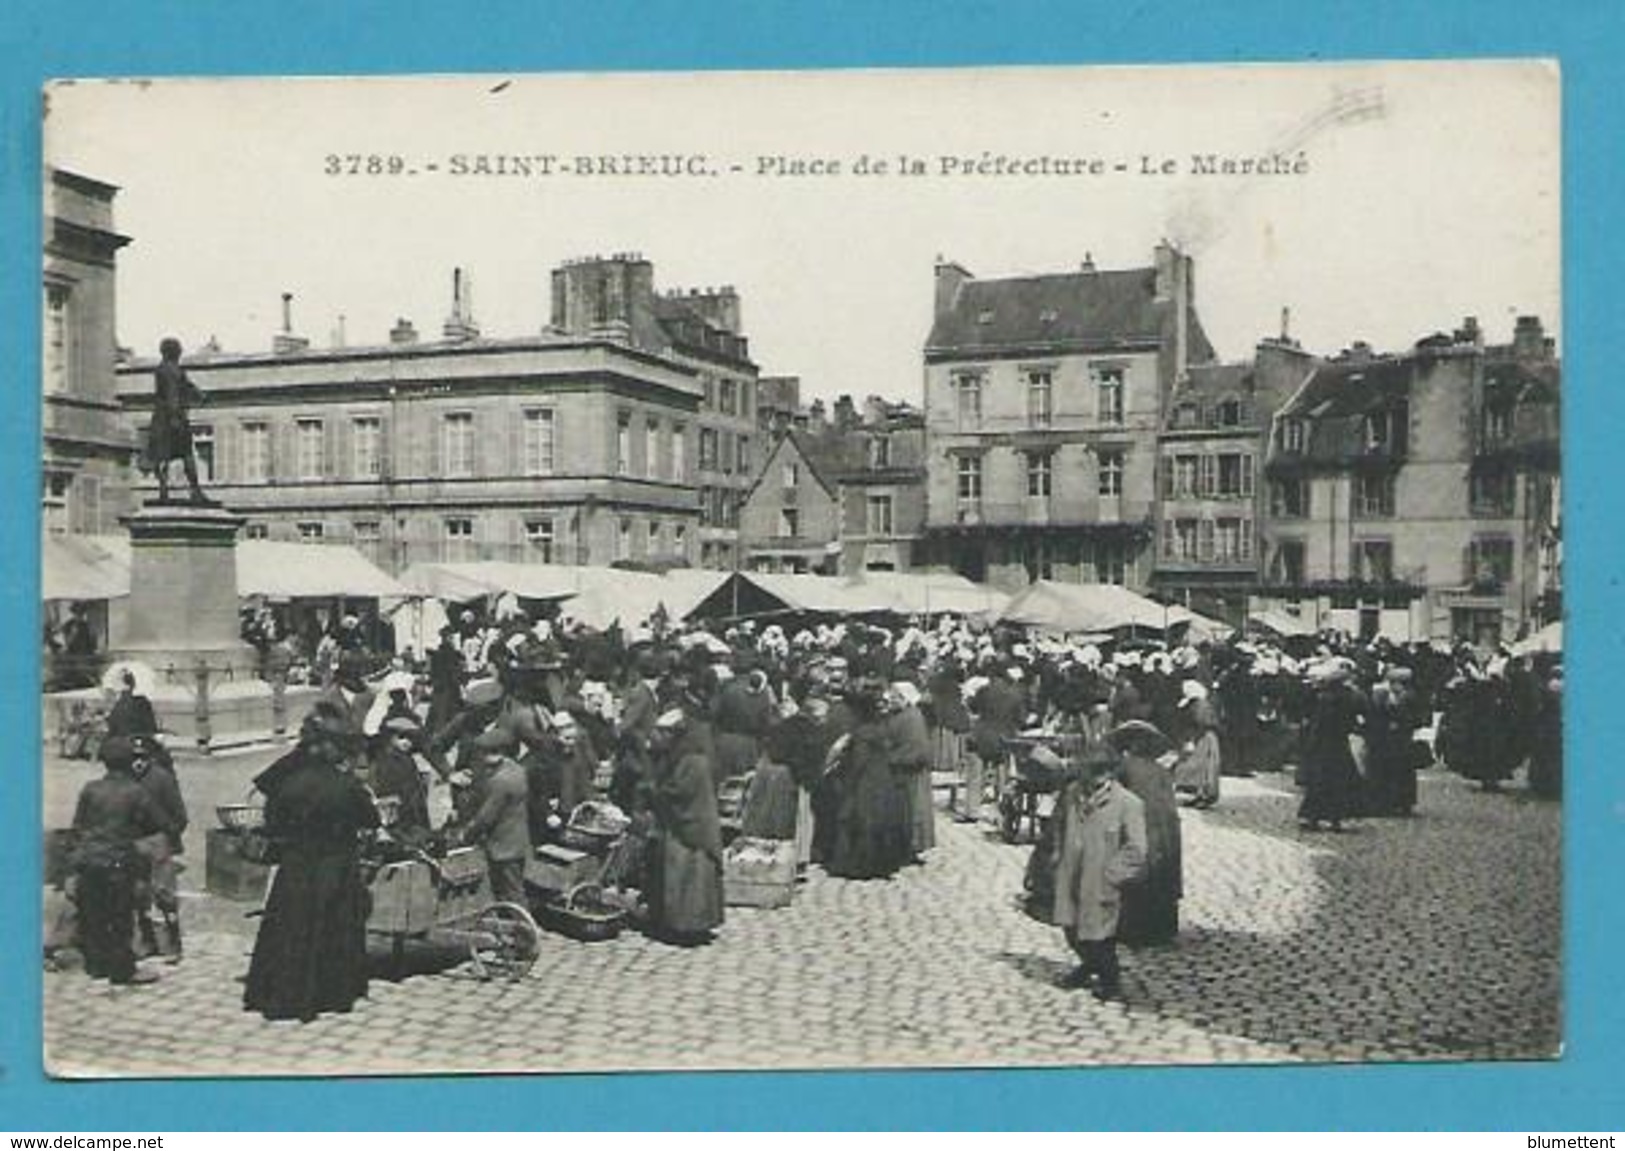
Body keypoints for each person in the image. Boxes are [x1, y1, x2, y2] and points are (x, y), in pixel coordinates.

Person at [244, 707, 379, 1021]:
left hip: (296, 867)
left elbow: (273, 823)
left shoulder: (289, 785)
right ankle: (331, 994)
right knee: (333, 929)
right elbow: (370, 819)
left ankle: (282, 993)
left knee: (291, 929)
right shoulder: (346, 786)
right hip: (336, 866)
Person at [70, 735, 171, 986]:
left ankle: (97, 965)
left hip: (90, 860)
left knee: (95, 914)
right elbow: (159, 823)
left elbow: (78, 825)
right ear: (129, 763)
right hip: (118, 861)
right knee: (120, 917)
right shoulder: (135, 792)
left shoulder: (90, 789)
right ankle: (122, 969)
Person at [1051, 746, 1147, 1000]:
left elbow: (1137, 848)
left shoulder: (1128, 803)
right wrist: (1058, 855)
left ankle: (1110, 979)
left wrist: (1112, 875)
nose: (1094, 779)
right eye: (1089, 772)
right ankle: (1087, 964)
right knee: (1071, 928)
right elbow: (1059, 826)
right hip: (1072, 873)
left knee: (1100, 935)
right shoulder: (1073, 794)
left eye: (1101, 772)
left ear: (1111, 773)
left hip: (1099, 879)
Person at [645, 708, 725, 944]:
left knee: (687, 875)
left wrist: (654, 792)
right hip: (688, 822)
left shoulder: (692, 760)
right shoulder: (682, 755)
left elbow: (680, 793)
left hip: (692, 827)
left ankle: (688, 924)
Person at [1111, 728, 1183, 946]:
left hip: (1139, 823)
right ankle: (1161, 928)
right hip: (1166, 827)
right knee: (1161, 874)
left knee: (1136, 872)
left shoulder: (1125, 767)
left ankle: (1132, 928)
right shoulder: (1161, 769)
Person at [129, 733, 188, 961]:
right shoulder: (125, 778)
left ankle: (173, 944)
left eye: (143, 757)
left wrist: (167, 838)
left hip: (158, 841)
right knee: (138, 894)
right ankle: (145, 942)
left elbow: (180, 816)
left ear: (151, 757)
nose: (138, 762)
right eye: (134, 757)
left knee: (165, 895)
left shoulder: (162, 778)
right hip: (134, 842)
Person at [459, 728, 531, 905]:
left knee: (511, 892)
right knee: (514, 887)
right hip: (519, 840)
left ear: (492, 753)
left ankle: (524, 929)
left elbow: (485, 818)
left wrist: (465, 835)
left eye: (483, 754)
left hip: (503, 845)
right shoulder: (517, 770)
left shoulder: (500, 781)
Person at [1298, 662, 1367, 832]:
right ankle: (1337, 819)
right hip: (1339, 745)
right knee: (1340, 782)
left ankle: (1314, 817)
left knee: (1319, 783)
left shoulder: (1324, 699)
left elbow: (1318, 724)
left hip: (1323, 745)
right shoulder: (1350, 698)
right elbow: (1353, 721)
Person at [142, 337, 208, 505]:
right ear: (174, 352)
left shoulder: (166, 370)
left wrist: (197, 394)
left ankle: (165, 491)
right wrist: (176, 416)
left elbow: (186, 386)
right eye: (179, 351)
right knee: (184, 454)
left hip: (163, 419)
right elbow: (174, 393)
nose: (180, 353)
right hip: (172, 418)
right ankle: (194, 490)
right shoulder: (171, 371)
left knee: (162, 456)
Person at [1171, 679, 1222, 809]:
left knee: (1205, 766)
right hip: (1201, 736)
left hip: (1203, 737)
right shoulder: (1196, 703)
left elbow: (1201, 723)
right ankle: (1199, 794)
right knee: (1200, 766)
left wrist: (1192, 739)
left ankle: (1205, 795)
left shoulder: (1200, 705)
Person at [105, 669, 159, 738]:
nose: (112, 685)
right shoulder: (119, 702)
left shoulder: (139, 703)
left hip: (129, 742)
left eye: (116, 681)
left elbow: (150, 729)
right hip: (122, 742)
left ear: (125, 685)